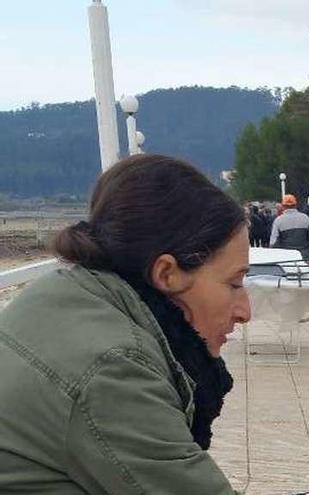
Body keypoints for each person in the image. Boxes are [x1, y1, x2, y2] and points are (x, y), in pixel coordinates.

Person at [0, 154, 250, 493]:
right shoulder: (114, 366)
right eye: (234, 284)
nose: (244, 311)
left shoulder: (60, 292)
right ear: (166, 273)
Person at [270, 194, 309, 264]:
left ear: (283, 206)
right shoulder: (305, 218)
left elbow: (273, 243)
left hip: (286, 258)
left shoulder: (278, 220)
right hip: (304, 257)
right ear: (295, 205)